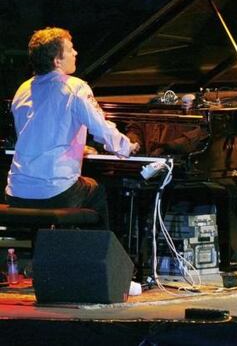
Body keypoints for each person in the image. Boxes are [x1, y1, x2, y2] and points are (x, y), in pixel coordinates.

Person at [5, 27, 139, 229]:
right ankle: (99, 256)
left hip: (16, 192)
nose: (75, 53)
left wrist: (76, 147)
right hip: (54, 191)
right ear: (57, 61)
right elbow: (101, 128)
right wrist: (127, 147)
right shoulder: (74, 86)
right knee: (98, 191)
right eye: (70, 49)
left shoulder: (23, 89)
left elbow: (35, 135)